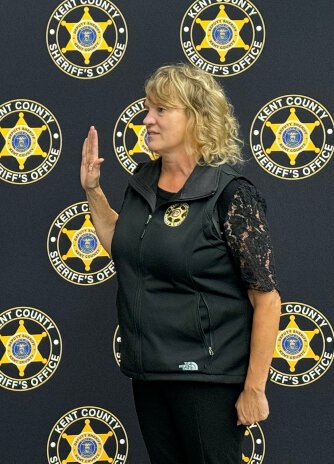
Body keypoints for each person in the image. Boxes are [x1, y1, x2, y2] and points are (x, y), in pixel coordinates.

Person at [80, 63, 281, 463]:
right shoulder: (142, 182)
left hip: (206, 377)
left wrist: (254, 388)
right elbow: (122, 246)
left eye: (161, 110)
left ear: (195, 118)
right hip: (150, 372)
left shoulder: (231, 194)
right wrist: (92, 191)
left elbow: (267, 300)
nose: (147, 119)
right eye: (147, 108)